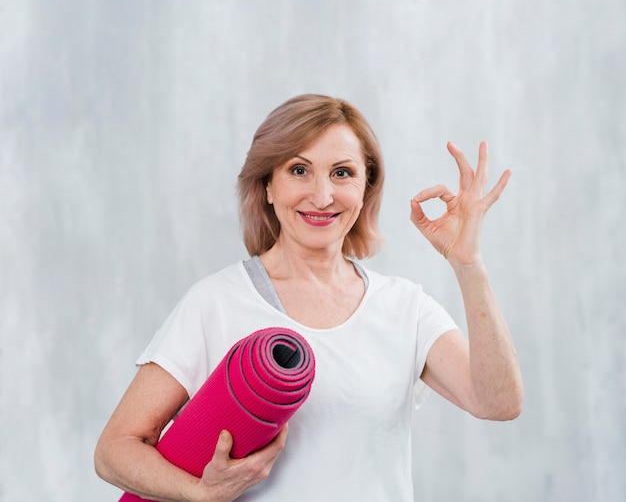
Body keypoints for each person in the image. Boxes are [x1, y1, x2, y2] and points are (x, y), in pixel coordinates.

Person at [94, 94, 523, 502]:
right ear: (267, 186)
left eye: (342, 173)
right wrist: (199, 492)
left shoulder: (403, 307)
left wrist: (469, 266)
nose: (322, 196)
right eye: (299, 170)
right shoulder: (216, 302)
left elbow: (498, 403)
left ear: (365, 188)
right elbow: (115, 449)